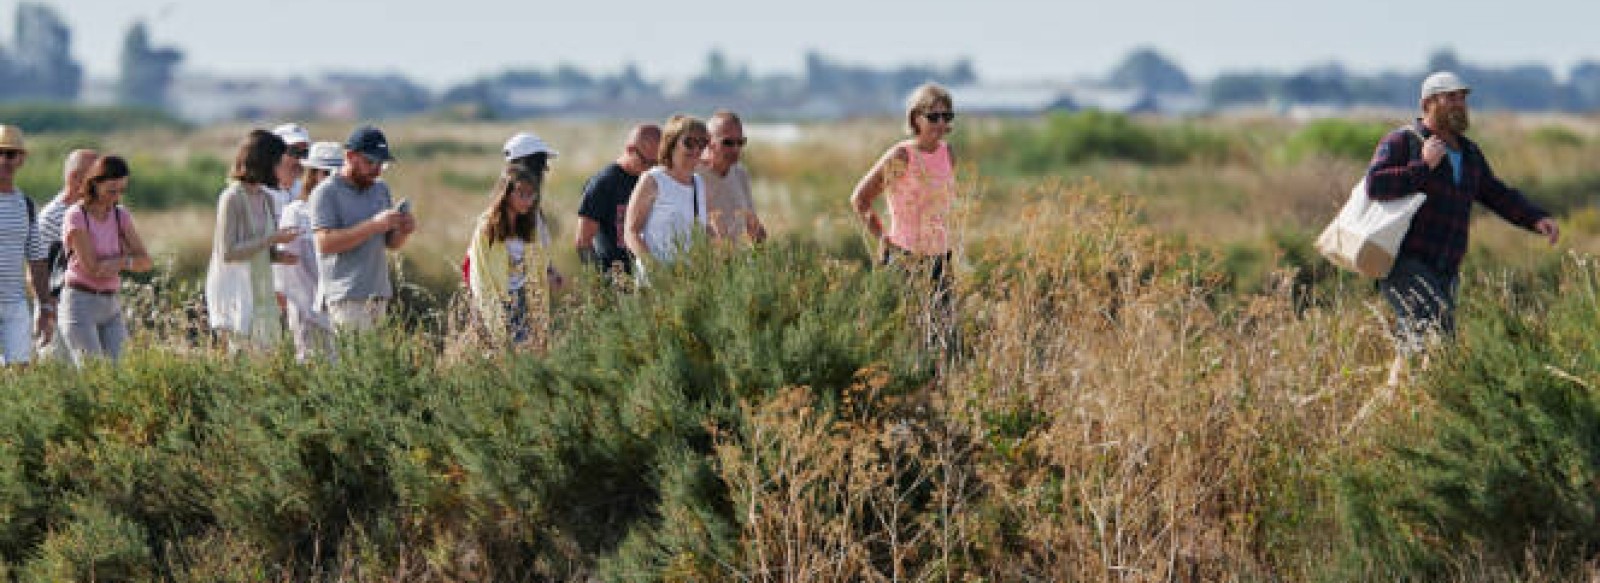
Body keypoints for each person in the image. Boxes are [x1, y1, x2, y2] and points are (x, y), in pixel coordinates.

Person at [1367, 71, 1559, 385]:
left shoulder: (1469, 154)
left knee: (1421, 347)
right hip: (1406, 264)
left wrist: (1534, 218)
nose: (1460, 105)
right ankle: (1415, 418)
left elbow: (1496, 194)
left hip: (1446, 268)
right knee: (1431, 340)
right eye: (1451, 98)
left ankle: (1388, 416)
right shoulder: (1403, 141)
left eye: (1463, 98)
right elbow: (1375, 185)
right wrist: (1422, 166)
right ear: (1428, 103)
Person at [850, 82, 961, 354]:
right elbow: (860, 199)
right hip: (905, 257)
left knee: (945, 342)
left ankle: (938, 395)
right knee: (904, 341)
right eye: (933, 116)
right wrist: (883, 238)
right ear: (916, 118)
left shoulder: (948, 153)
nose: (940, 123)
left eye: (947, 116)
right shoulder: (902, 155)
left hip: (940, 257)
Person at [310, 125, 416, 332]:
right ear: (350, 156)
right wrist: (374, 225)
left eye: (382, 164)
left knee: (376, 363)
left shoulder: (380, 189)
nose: (376, 170)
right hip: (347, 297)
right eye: (370, 162)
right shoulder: (326, 192)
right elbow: (324, 243)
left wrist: (403, 230)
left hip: (379, 294)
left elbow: (390, 243)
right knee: (354, 361)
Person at [206, 130, 300, 350]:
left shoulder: (266, 197)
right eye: (279, 162)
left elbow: (259, 250)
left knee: (266, 361)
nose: (282, 168)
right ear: (265, 162)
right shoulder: (231, 198)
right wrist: (272, 239)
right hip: (237, 296)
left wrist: (278, 256)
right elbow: (228, 252)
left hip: (261, 292)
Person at [59, 156, 153, 364]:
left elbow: (146, 261)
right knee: (94, 375)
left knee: (120, 372)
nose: (116, 196)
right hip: (80, 303)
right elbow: (92, 267)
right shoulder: (76, 216)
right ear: (94, 183)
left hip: (110, 304)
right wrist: (129, 259)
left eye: (121, 191)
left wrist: (120, 263)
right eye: (111, 190)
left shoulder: (121, 216)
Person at [466, 162, 555, 346]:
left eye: (531, 195)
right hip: (496, 303)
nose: (528, 200)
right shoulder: (486, 230)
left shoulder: (530, 230)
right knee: (500, 359)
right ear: (506, 194)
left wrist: (540, 313)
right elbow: (480, 277)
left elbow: (539, 272)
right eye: (522, 194)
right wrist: (493, 315)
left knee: (527, 359)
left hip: (526, 300)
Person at [624, 115, 709, 281]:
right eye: (689, 143)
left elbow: (699, 232)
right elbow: (631, 232)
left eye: (702, 143)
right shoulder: (653, 179)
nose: (697, 149)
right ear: (671, 143)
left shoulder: (698, 182)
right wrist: (659, 272)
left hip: (690, 282)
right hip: (656, 284)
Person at [277, 141, 340, 361]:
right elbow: (285, 266)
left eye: (340, 171)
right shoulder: (295, 213)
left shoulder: (346, 214)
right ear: (314, 174)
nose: (335, 177)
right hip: (307, 308)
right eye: (328, 172)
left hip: (340, 308)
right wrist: (303, 307)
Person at [34, 148, 99, 360]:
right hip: (59, 315)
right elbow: (39, 270)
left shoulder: (97, 212)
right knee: (59, 379)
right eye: (97, 177)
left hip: (89, 311)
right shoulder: (52, 217)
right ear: (75, 178)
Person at [577, 124, 659, 275]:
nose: (650, 169)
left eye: (656, 163)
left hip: (648, 277)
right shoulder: (602, 184)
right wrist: (598, 283)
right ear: (630, 149)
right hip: (615, 281)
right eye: (646, 162)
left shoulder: (654, 180)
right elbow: (583, 242)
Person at [0, 125, 48, 366]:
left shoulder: (26, 205)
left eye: (10, 154)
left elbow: (37, 260)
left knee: (20, 373)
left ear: (20, 159)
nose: (3, 160)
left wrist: (45, 306)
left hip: (14, 304)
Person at [696, 110, 768, 244]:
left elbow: (753, 224)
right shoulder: (693, 175)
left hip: (738, 262)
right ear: (708, 141)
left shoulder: (740, 173)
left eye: (740, 142)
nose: (735, 149)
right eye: (728, 142)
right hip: (704, 261)